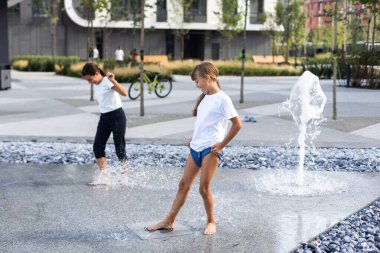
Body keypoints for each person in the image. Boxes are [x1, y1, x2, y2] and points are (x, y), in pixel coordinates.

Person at [146, 62, 242, 235]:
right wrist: (194, 139)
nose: (197, 85)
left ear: (207, 78)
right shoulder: (205, 98)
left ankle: (211, 221)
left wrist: (220, 146)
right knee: (183, 185)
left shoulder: (223, 99)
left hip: (210, 151)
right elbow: (204, 122)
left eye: (197, 81)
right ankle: (169, 221)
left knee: (203, 189)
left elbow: (237, 125)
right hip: (196, 148)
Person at [81, 62, 128, 185]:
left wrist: (114, 81)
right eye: (87, 81)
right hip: (104, 117)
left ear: (96, 73)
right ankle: (104, 177)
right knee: (98, 146)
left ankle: (124, 175)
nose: (89, 82)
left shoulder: (107, 81)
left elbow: (124, 93)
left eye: (90, 79)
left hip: (117, 116)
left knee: (119, 147)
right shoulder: (97, 83)